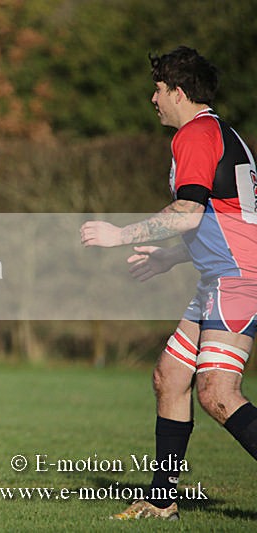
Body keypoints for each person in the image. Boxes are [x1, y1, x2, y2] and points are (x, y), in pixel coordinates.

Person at [80, 46, 257, 520]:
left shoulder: (196, 134)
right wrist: (172, 257)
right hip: (221, 277)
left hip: (236, 280)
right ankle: (162, 502)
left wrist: (121, 234)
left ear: (179, 92)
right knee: (170, 378)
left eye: (158, 89)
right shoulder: (217, 132)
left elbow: (188, 212)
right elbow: (227, 220)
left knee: (218, 394)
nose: (153, 98)